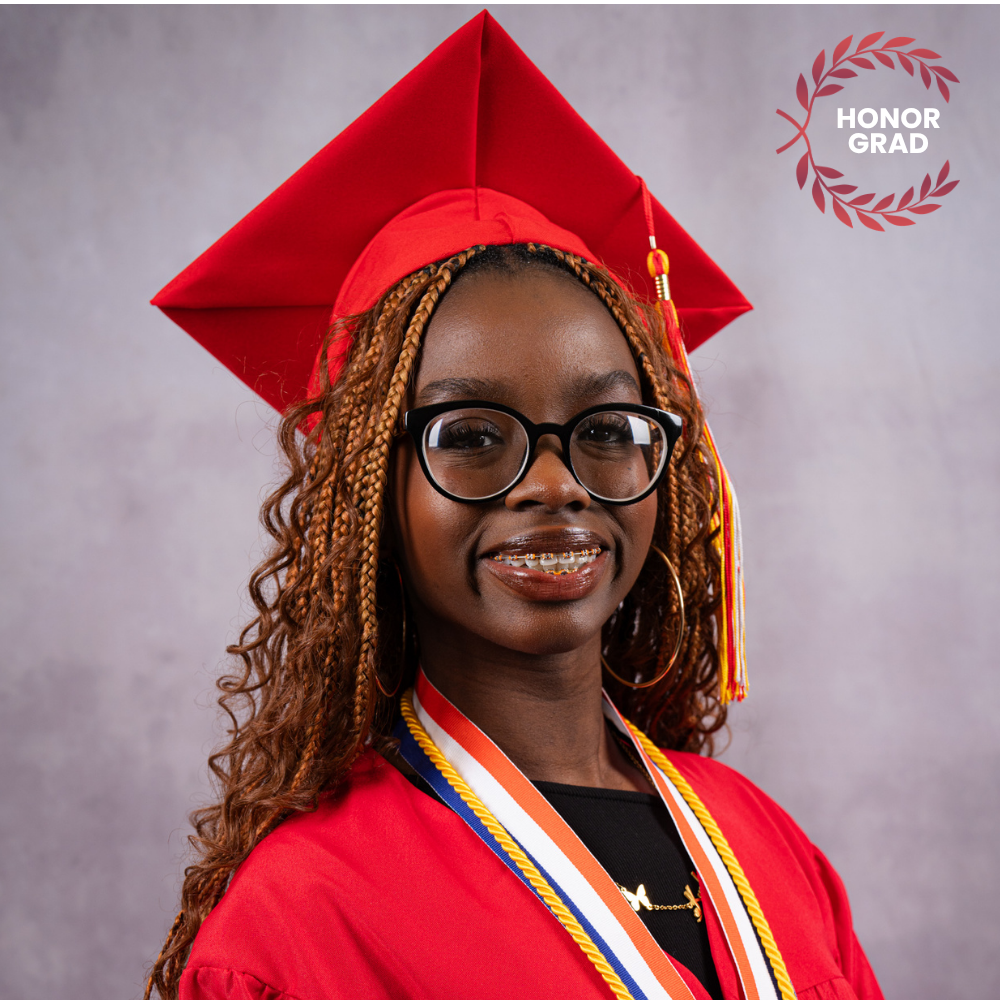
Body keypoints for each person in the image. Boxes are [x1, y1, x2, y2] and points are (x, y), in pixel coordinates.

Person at [147, 14, 883, 1000]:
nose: (554, 483)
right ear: (369, 491)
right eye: (470, 435)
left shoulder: (768, 847)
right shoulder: (304, 915)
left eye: (606, 428)